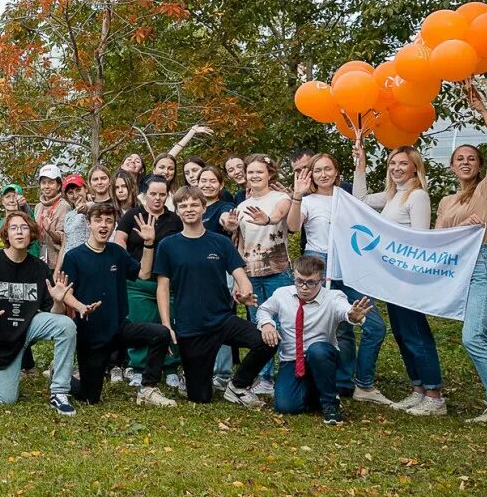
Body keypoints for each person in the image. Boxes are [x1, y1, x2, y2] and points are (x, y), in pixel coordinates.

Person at [436, 83, 487, 432]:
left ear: (480, 166)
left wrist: (482, 110)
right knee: (485, 339)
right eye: (460, 159)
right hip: (458, 272)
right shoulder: (446, 202)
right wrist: (459, 229)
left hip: (482, 265)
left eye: (472, 158)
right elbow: (437, 240)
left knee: (472, 337)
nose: (466, 162)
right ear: (452, 167)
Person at [286, 153, 394, 406]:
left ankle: (363, 383)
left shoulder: (349, 200)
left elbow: (374, 209)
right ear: (310, 174)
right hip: (318, 262)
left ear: (337, 172)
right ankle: (337, 382)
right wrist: (297, 196)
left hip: (350, 263)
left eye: (328, 169)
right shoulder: (309, 201)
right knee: (336, 326)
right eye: (317, 170)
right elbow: (292, 227)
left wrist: (361, 158)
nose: (323, 174)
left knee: (374, 326)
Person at [154, 186, 275, 407]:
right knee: (199, 397)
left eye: (194, 205)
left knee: (266, 342)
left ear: (203, 208)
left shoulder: (220, 242)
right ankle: (190, 379)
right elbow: (162, 287)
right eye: (183, 206)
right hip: (191, 327)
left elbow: (240, 274)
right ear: (178, 211)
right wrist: (165, 325)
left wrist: (245, 292)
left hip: (222, 319)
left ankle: (237, 386)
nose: (189, 209)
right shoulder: (168, 245)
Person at [353, 142, 444, 416]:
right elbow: (361, 200)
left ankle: (435, 395)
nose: (396, 168)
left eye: (403, 163)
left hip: (409, 280)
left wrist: (409, 278)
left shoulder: (417, 197)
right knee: (403, 334)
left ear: (415, 167)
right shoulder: (394, 196)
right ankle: (418, 390)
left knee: (417, 335)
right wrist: (360, 165)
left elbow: (419, 240)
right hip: (392, 280)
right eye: (393, 163)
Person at [60, 203, 176, 407]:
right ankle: (63, 378)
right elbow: (66, 293)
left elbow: (144, 274)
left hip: (120, 328)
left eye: (109, 221)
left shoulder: (117, 253)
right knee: (90, 398)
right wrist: (80, 307)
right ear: (89, 224)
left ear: (114, 225)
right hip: (91, 335)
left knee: (161, 333)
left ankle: (148, 389)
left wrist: (149, 244)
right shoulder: (74, 257)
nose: (103, 225)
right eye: (98, 220)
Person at [0, 213, 78, 413]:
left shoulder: (39, 268)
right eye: (14, 228)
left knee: (66, 325)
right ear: (6, 234)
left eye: (24, 228)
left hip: (27, 327)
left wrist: (59, 301)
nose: (19, 232)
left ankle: (59, 391)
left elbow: (53, 313)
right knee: (6, 400)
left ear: (31, 233)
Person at [255, 256, 374, 425]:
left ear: (322, 279)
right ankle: (314, 391)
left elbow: (346, 311)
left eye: (311, 282)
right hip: (291, 360)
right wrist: (267, 324)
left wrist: (353, 316)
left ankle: (330, 405)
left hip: (322, 357)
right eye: (299, 281)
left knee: (317, 350)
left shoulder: (333, 297)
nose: (304, 288)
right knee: (287, 407)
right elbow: (263, 310)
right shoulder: (282, 294)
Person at [230, 153, 294, 396]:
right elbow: (240, 243)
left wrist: (267, 219)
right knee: (260, 326)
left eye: (259, 172)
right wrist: (239, 278)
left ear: (269, 174)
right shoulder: (241, 207)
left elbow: (278, 215)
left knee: (283, 324)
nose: (255, 176)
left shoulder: (281, 197)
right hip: (251, 274)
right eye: (250, 172)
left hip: (278, 271)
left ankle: (289, 374)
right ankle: (265, 378)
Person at [112, 174, 181, 389]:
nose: (158, 199)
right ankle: (139, 368)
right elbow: (119, 240)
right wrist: (126, 262)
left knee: (168, 323)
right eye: (153, 194)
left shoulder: (174, 220)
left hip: (166, 281)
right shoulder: (132, 215)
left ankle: (170, 368)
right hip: (137, 282)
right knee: (140, 324)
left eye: (162, 194)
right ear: (144, 194)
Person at [33, 164, 69, 266]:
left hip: (57, 262)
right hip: (39, 258)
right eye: (43, 183)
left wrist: (49, 230)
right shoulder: (38, 207)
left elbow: (64, 239)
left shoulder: (64, 206)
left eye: (51, 182)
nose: (47, 186)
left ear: (58, 186)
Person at [59, 174, 90, 256]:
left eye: (78, 190)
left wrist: (84, 208)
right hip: (69, 261)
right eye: (70, 192)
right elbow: (64, 246)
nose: (75, 195)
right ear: (66, 196)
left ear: (86, 189)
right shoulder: (68, 215)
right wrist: (57, 268)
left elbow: (88, 209)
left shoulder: (94, 207)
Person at [196, 166, 233, 233]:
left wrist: (227, 222)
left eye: (213, 181)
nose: (207, 185)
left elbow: (225, 215)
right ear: (198, 183)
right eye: (203, 181)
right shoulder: (191, 207)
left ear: (221, 185)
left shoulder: (225, 206)